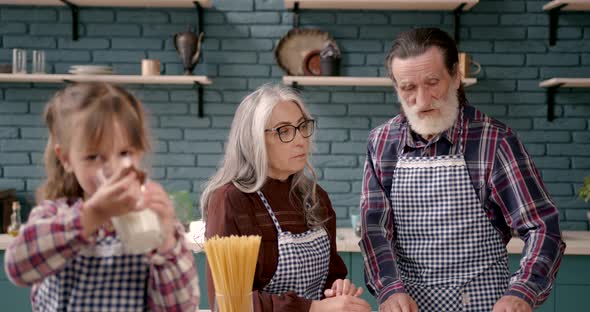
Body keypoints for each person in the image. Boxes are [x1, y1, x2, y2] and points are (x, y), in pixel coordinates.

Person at [359, 28, 565, 312]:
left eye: (432, 82)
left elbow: (541, 226)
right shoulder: (381, 143)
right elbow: (375, 230)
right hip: (407, 306)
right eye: (408, 88)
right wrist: (389, 290)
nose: (421, 100)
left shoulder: (495, 141)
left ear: (456, 76)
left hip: (485, 304)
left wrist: (522, 292)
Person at [4, 82, 199, 311]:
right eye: (94, 156)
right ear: (66, 158)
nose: (112, 169)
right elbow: (18, 268)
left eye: (124, 153)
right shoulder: (54, 215)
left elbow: (181, 306)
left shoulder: (154, 223)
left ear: (139, 152)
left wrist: (166, 241)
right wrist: (93, 215)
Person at [201, 84, 371, 312]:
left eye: (302, 126)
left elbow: (331, 276)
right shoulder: (231, 200)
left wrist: (336, 290)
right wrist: (311, 308)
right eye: (284, 131)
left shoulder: (315, 197)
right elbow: (225, 303)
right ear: (254, 140)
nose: (300, 139)